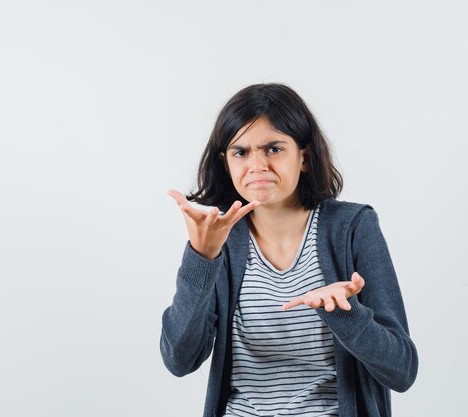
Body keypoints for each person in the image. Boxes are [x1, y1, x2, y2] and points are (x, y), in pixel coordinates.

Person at [160, 83, 418, 417]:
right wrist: (201, 258)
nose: (257, 165)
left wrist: (345, 314)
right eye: (241, 152)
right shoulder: (219, 238)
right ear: (226, 163)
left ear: (305, 157)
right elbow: (179, 360)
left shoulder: (353, 228)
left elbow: (402, 370)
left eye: (274, 149)